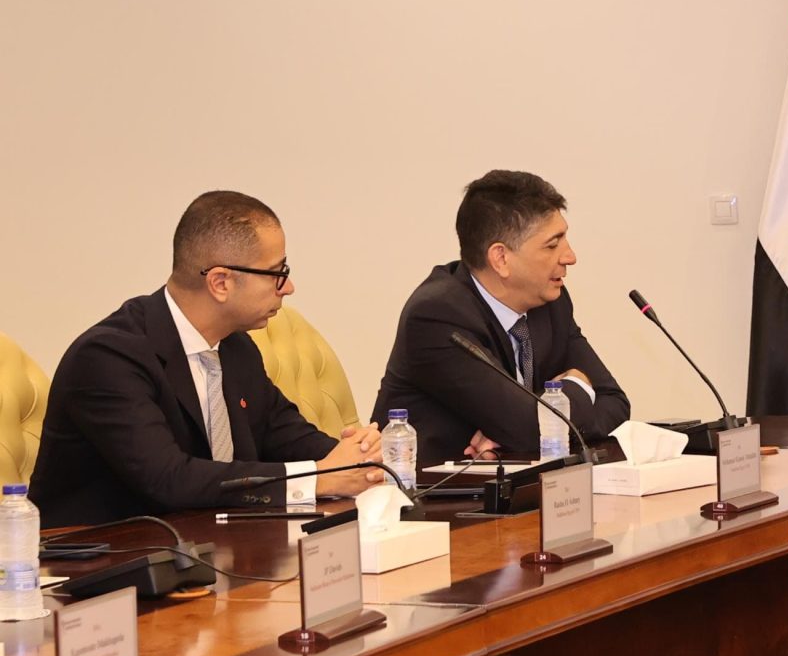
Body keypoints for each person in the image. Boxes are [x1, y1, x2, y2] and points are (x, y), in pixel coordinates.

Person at [31, 192, 382, 527]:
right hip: (103, 554)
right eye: (277, 273)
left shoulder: (235, 347)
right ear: (220, 282)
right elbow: (169, 478)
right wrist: (318, 479)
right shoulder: (108, 357)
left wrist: (358, 459)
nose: (287, 287)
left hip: (209, 542)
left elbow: (284, 433)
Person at [372, 170, 630, 461]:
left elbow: (616, 404)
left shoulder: (550, 303)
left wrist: (524, 431)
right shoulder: (436, 317)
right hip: (429, 487)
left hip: (514, 483)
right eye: (552, 244)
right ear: (501, 258)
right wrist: (578, 384)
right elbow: (530, 430)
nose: (570, 256)